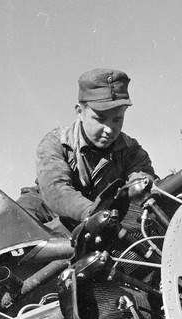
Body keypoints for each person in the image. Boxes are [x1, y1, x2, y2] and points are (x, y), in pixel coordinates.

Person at [18, 68, 155, 231]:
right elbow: (56, 191)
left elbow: (142, 181)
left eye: (117, 119)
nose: (109, 129)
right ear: (80, 112)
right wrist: (94, 214)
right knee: (16, 222)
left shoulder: (131, 150)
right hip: (49, 210)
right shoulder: (55, 143)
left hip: (103, 216)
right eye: (100, 119)